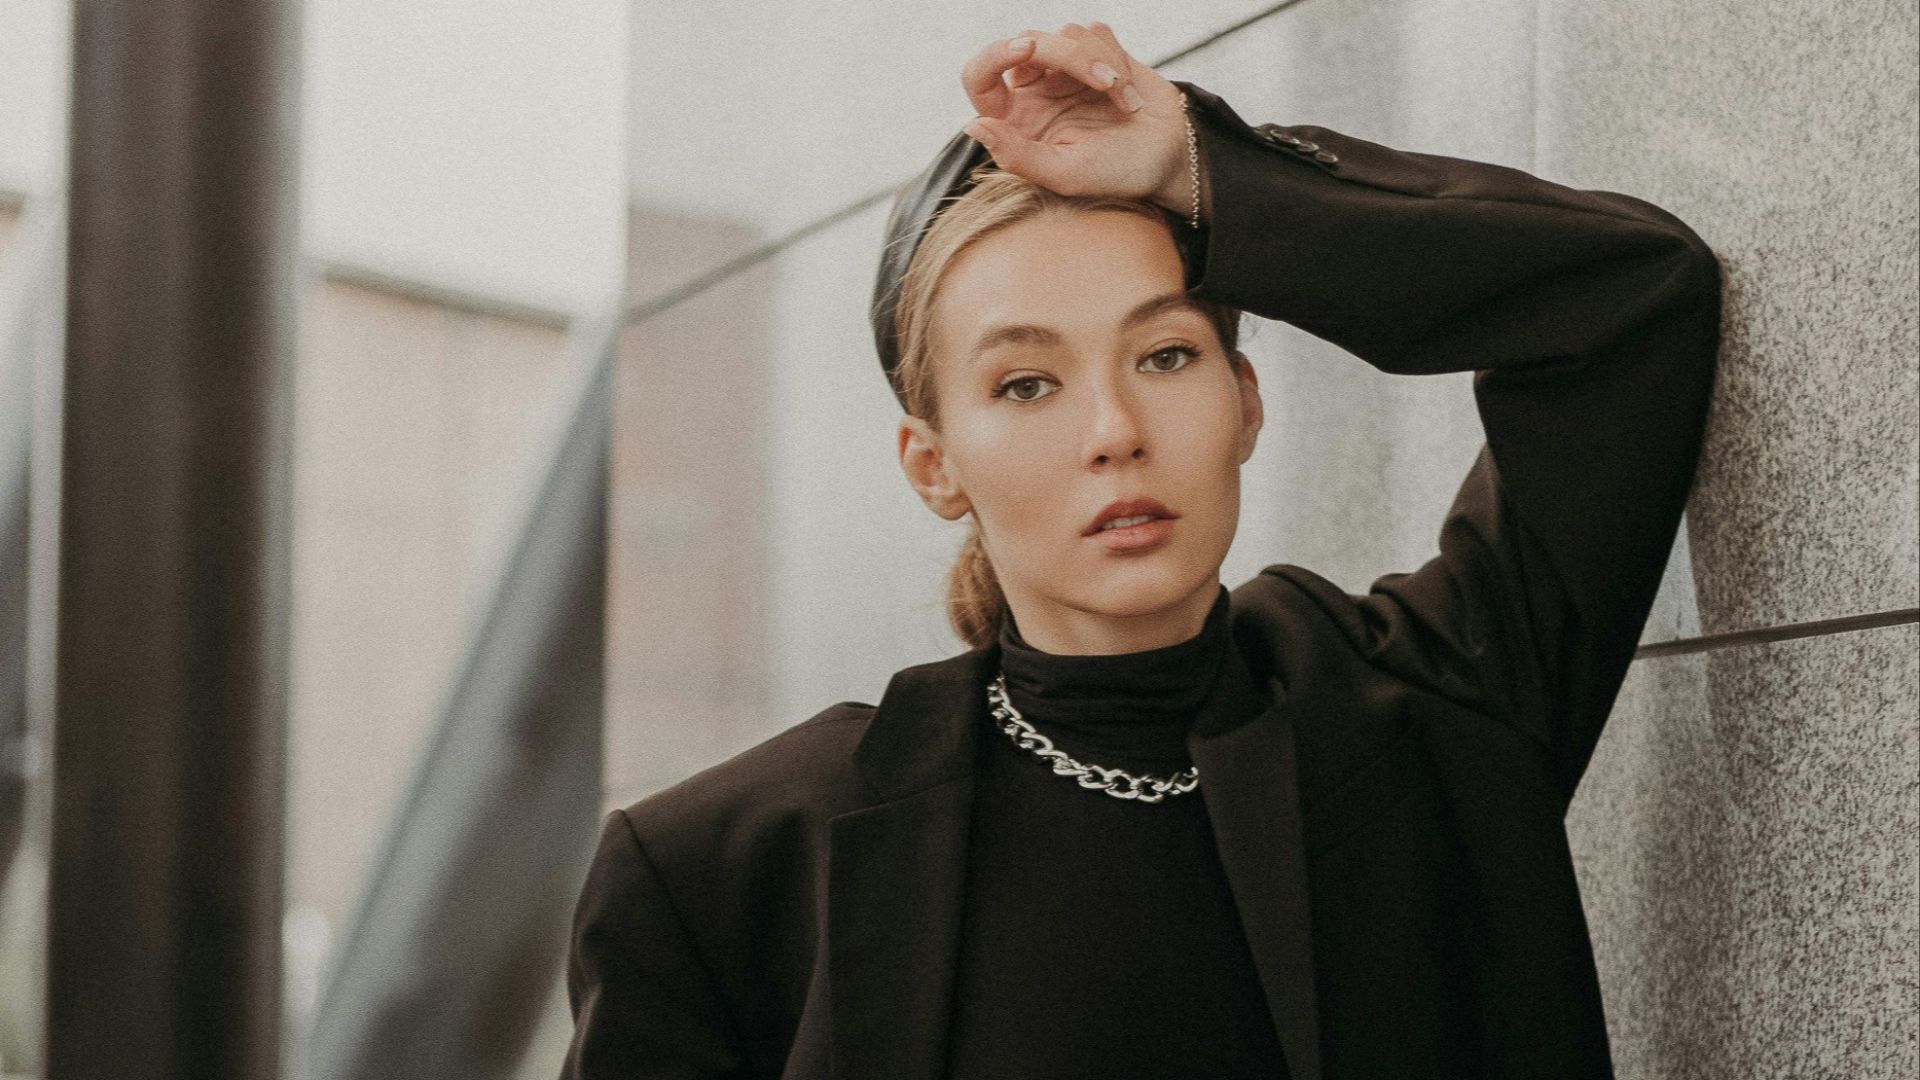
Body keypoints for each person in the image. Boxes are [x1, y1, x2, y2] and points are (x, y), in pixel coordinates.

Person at [560, 20, 1721, 1080]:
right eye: (1027, 383)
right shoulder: (720, 874)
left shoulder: (1438, 704)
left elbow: (1625, 302)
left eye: (1165, 356)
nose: (1114, 433)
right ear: (933, 465)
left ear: (1246, 400)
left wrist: (1200, 172)